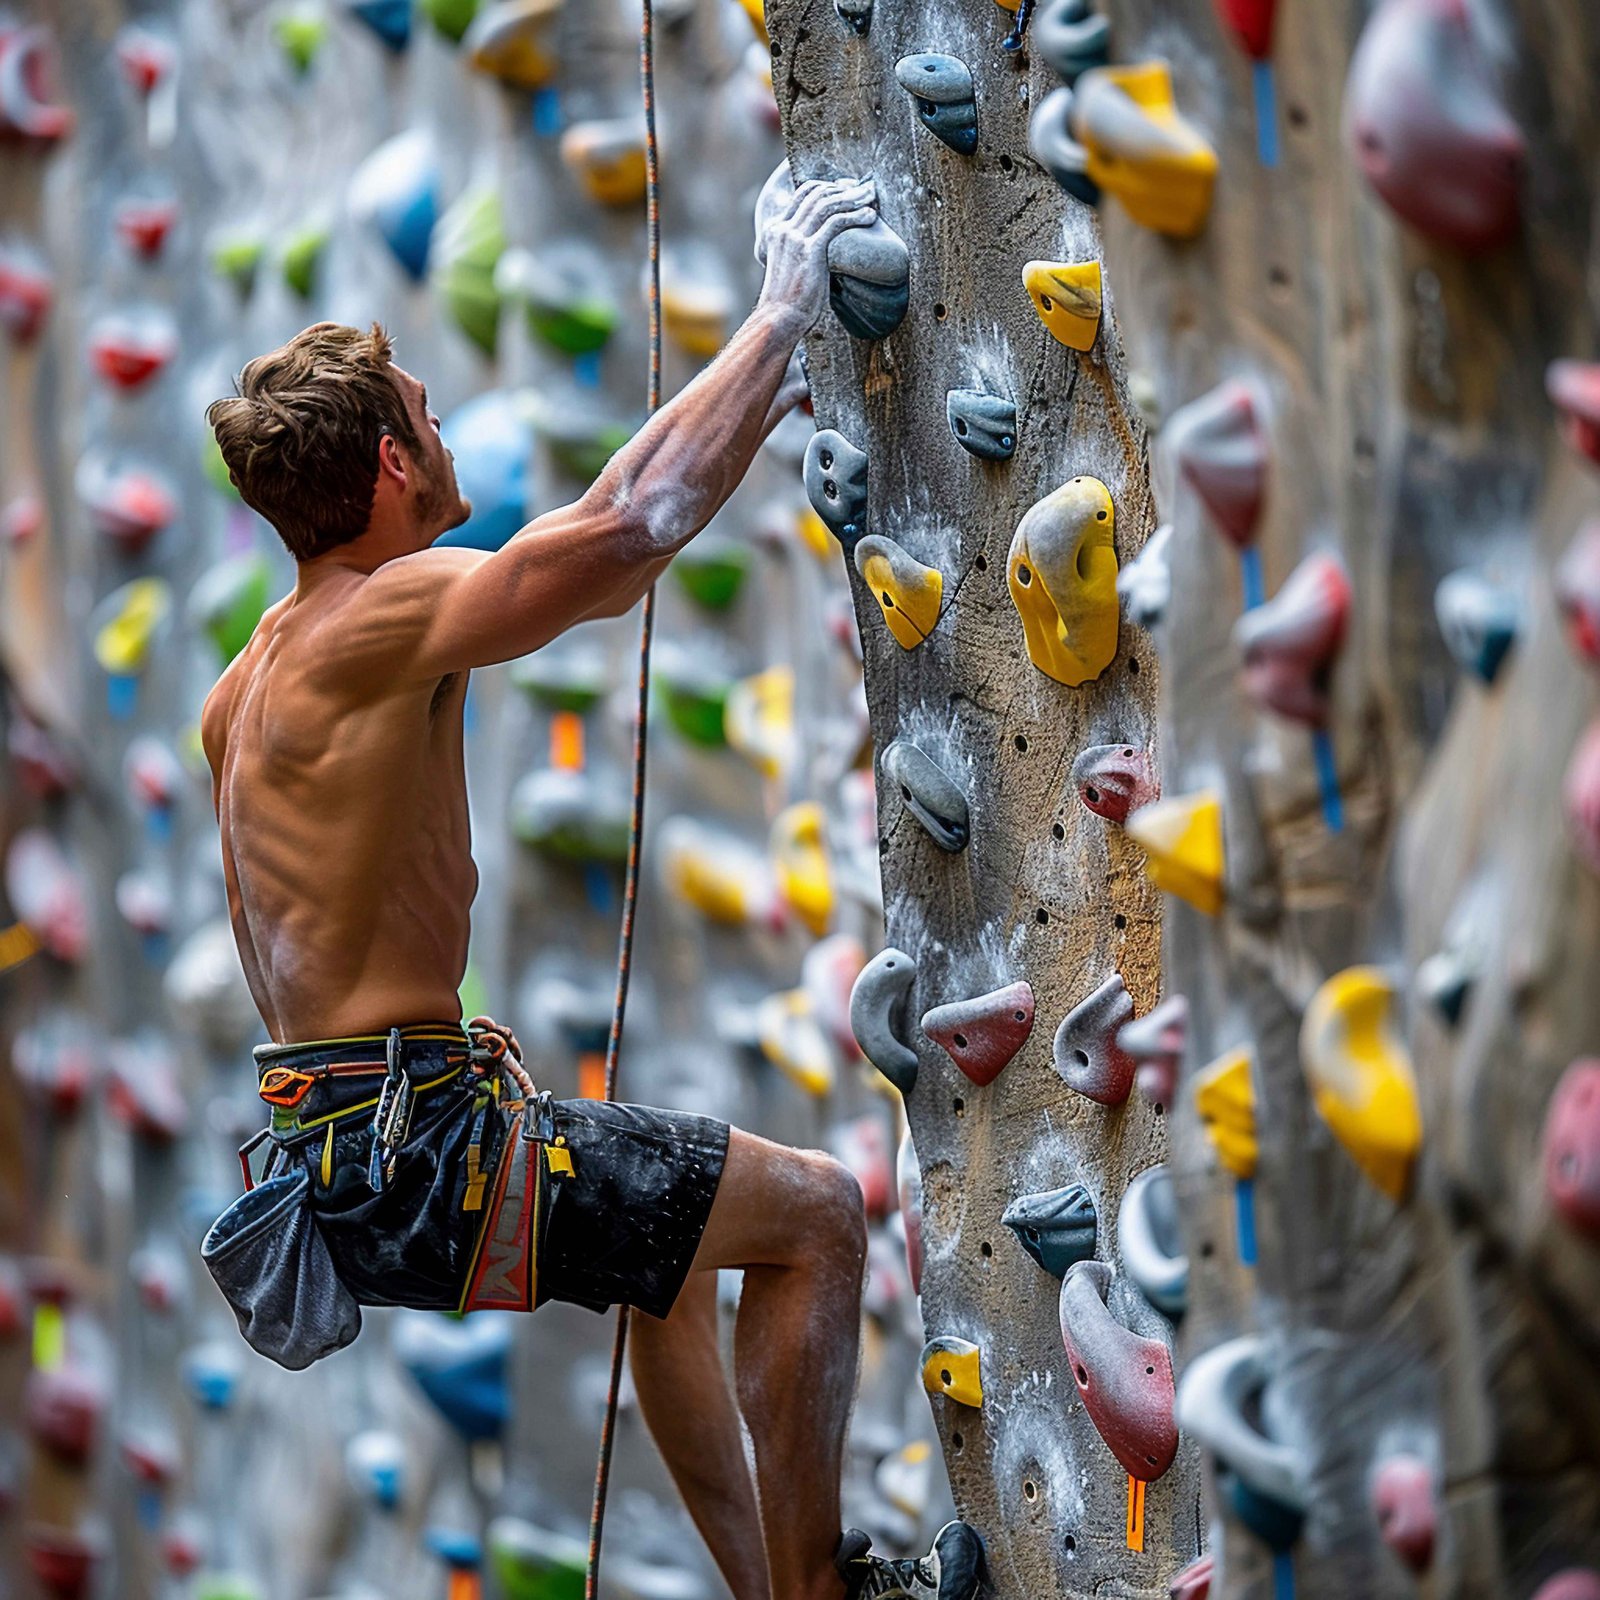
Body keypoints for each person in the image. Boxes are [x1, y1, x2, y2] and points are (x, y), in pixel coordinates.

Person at [199, 176, 985, 1600]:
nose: (443, 437)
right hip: (428, 1145)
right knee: (812, 1218)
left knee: (663, 1257)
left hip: (350, 1157)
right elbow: (630, 523)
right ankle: (820, 1593)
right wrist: (779, 309)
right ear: (385, 466)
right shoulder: (374, 622)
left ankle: (773, 1589)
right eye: (426, 418)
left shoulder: (244, 681)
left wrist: (754, 398)